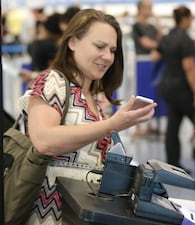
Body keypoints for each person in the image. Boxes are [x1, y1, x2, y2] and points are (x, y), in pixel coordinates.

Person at [17, 9, 157, 225]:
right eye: (99, 47)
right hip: (48, 214)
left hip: (81, 213)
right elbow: (44, 140)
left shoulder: (95, 98)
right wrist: (111, 125)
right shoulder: (51, 82)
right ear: (73, 42)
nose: (108, 57)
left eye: (112, 50)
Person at [152, 5, 195, 176]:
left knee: (173, 127)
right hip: (183, 90)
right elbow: (189, 68)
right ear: (186, 19)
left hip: (168, 88)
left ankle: (173, 166)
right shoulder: (186, 40)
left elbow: (155, 56)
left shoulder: (168, 37)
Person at [132, 0, 163, 136]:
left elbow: (160, 39)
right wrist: (158, 46)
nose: (150, 10)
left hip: (153, 64)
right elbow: (146, 43)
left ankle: (150, 123)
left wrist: (158, 23)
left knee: (151, 94)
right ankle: (138, 127)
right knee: (141, 94)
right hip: (141, 64)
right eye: (148, 7)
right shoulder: (136, 26)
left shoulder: (151, 27)